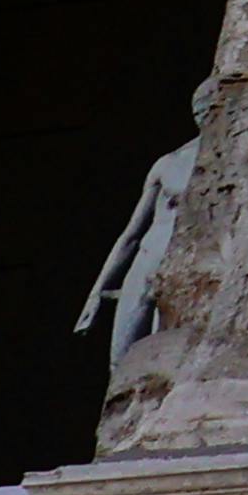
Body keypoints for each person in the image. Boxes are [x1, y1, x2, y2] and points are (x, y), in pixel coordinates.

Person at [77, 136, 196, 362]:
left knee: (161, 360)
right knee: (120, 359)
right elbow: (131, 234)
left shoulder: (224, 157)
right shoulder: (169, 162)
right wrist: (96, 293)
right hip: (146, 261)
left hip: (181, 266)